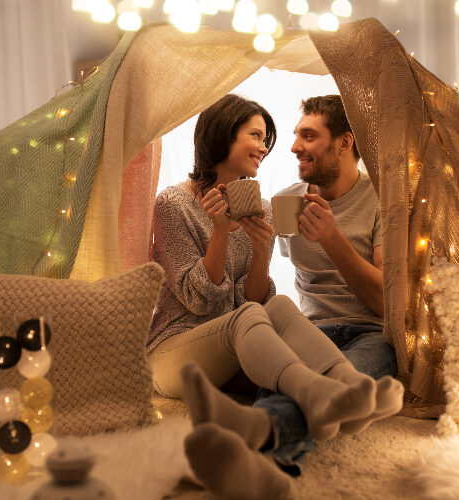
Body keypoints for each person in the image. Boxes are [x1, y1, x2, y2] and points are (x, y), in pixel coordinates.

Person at [148, 94, 393, 499]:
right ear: (224, 133)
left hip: (239, 343)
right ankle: (327, 390)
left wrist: (261, 249)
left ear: (346, 142)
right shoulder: (174, 204)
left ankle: (269, 443)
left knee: (276, 306)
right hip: (179, 342)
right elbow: (201, 301)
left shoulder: (261, 205)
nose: (268, 147)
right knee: (255, 321)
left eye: (267, 138)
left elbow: (257, 302)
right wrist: (222, 231)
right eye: (257, 136)